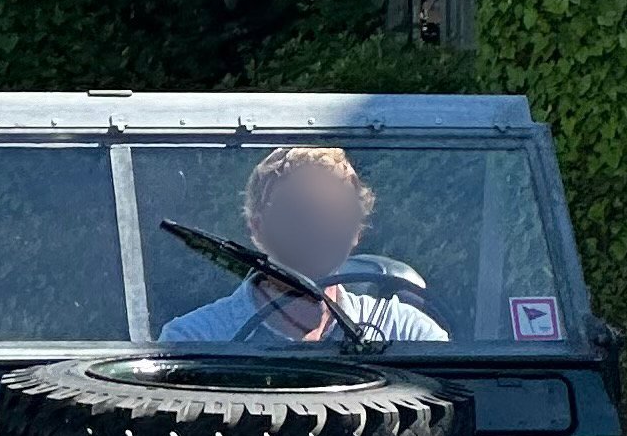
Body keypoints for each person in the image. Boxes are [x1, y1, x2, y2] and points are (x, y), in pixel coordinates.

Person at [159, 147, 448, 345]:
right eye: (297, 211)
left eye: (336, 211)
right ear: (257, 226)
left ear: (356, 229)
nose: (317, 226)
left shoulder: (405, 333)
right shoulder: (197, 342)